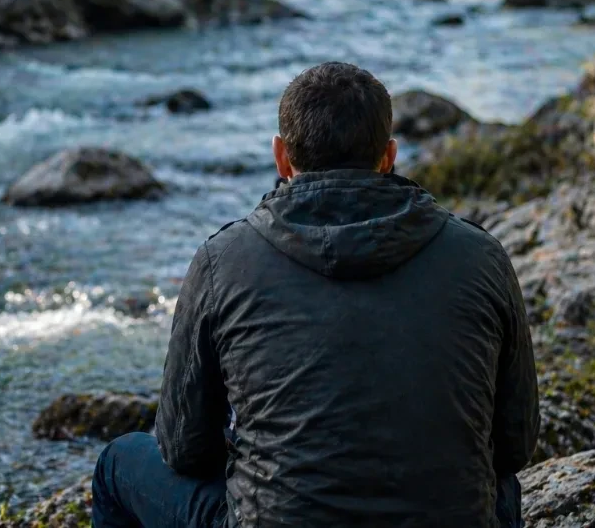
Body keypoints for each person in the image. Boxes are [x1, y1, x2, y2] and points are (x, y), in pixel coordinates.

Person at [92, 62, 539, 528]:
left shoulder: (222, 260)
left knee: (117, 464)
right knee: (497, 483)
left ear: (281, 158)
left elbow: (183, 448)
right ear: (389, 156)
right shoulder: (481, 256)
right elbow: (516, 443)